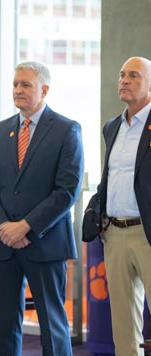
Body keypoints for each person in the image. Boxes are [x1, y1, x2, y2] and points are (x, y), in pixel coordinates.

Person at [0, 61, 83, 356]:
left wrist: (25, 226)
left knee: (52, 323)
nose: (18, 90)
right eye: (15, 84)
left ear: (44, 89)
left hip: (45, 242)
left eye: (25, 85)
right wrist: (2, 228)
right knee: (5, 324)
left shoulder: (66, 130)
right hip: (5, 244)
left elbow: (66, 191)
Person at [85, 56, 151, 356]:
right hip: (115, 234)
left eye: (134, 76)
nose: (124, 80)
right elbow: (108, 177)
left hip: (146, 234)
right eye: (123, 74)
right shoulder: (111, 127)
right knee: (123, 325)